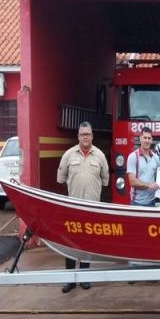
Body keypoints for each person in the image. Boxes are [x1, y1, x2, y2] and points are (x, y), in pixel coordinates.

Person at [56, 121, 109, 293]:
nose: (85, 137)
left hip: (92, 209)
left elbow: (105, 179)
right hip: (73, 208)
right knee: (70, 244)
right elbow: (61, 179)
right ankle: (70, 280)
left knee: (87, 243)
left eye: (88, 134)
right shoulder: (68, 155)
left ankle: (85, 278)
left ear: (92, 136)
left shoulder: (100, 156)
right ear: (78, 136)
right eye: (82, 134)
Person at [127, 126, 160, 206]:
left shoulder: (156, 158)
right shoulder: (133, 157)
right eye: (145, 138)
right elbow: (132, 181)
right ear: (140, 138)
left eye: (149, 138)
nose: (147, 140)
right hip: (137, 203)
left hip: (152, 201)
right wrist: (149, 185)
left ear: (152, 140)